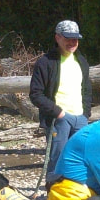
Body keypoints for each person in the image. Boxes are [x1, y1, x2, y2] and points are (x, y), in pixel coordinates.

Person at [29, 20, 92, 187]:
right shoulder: (45, 62)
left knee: (80, 158)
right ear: (57, 38)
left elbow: (87, 89)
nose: (72, 42)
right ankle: (53, 194)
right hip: (59, 119)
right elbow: (35, 94)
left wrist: (86, 113)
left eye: (75, 39)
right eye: (68, 38)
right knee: (57, 160)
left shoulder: (81, 61)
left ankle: (75, 192)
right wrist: (58, 112)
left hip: (80, 118)